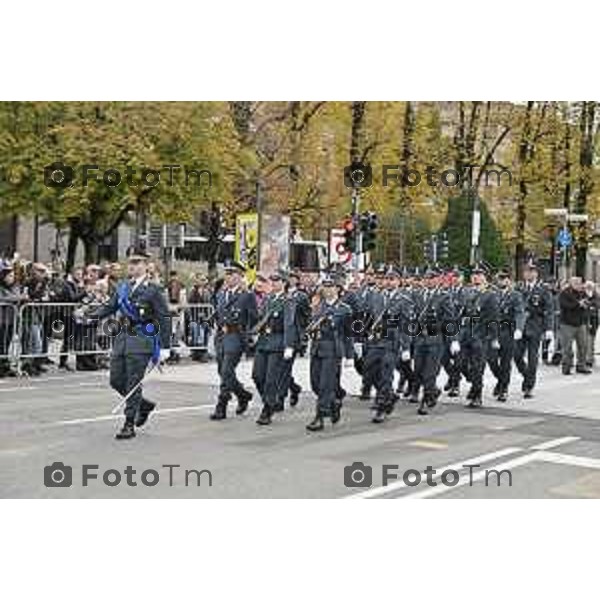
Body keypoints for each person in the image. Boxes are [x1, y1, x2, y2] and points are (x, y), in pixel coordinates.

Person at [87, 248, 171, 439]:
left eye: (137, 262)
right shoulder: (123, 287)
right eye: (131, 262)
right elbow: (110, 307)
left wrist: (166, 346)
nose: (132, 266)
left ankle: (129, 423)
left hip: (142, 340)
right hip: (122, 338)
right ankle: (144, 405)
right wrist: (90, 316)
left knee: (134, 382)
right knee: (115, 380)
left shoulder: (153, 289)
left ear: (146, 265)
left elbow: (164, 317)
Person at [209, 261, 257, 421]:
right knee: (222, 371)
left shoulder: (247, 295)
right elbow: (218, 313)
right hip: (221, 336)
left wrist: (249, 337)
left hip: (236, 336)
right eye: (227, 273)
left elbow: (253, 318)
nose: (228, 277)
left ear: (240, 276)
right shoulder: (221, 293)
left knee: (226, 371)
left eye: (232, 274)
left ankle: (221, 404)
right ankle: (242, 394)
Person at [305, 276, 353, 431]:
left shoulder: (344, 309)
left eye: (330, 286)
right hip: (317, 347)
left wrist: (349, 355)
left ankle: (320, 416)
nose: (327, 290)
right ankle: (334, 402)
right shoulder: (318, 306)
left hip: (333, 349)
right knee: (315, 383)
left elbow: (348, 334)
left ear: (337, 288)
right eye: (325, 287)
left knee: (325, 384)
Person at [252, 271, 298, 425]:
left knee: (271, 378)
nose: (274, 283)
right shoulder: (268, 298)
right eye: (272, 280)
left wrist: (288, 345)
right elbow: (260, 318)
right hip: (264, 341)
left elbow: (289, 324)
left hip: (278, 342)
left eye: (277, 280)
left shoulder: (288, 301)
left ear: (284, 283)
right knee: (257, 376)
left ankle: (267, 409)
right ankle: (269, 400)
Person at [514, 264, 554, 398]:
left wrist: (549, 328)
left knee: (532, 358)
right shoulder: (519, 287)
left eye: (532, 271)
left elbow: (549, 310)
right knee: (517, 356)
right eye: (526, 271)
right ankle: (527, 376)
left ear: (536, 274)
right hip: (521, 326)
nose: (529, 274)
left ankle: (529, 386)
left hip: (535, 325)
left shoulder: (543, 289)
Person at [487, 270, 525, 402]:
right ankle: (501, 380)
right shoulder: (492, 294)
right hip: (493, 331)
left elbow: (519, 313)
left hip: (507, 332)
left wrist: (519, 328)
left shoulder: (516, 296)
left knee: (505, 363)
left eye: (504, 278)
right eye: (500, 279)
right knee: (491, 360)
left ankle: (503, 389)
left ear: (509, 280)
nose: (502, 281)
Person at [558, 277, 591, 375]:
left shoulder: (582, 293)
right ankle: (566, 366)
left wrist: (587, 303)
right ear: (570, 283)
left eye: (580, 283)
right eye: (576, 283)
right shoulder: (564, 293)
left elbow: (590, 303)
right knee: (567, 347)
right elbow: (565, 305)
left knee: (583, 346)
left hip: (581, 323)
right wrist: (578, 304)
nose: (578, 285)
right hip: (567, 324)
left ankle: (581, 365)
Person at [583, 281, 599, 368]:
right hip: (584, 320)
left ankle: (589, 359)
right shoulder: (583, 295)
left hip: (593, 320)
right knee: (584, 341)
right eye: (587, 287)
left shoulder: (596, 295)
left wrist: (588, 305)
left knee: (590, 340)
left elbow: (596, 305)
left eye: (589, 287)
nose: (588, 289)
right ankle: (586, 358)